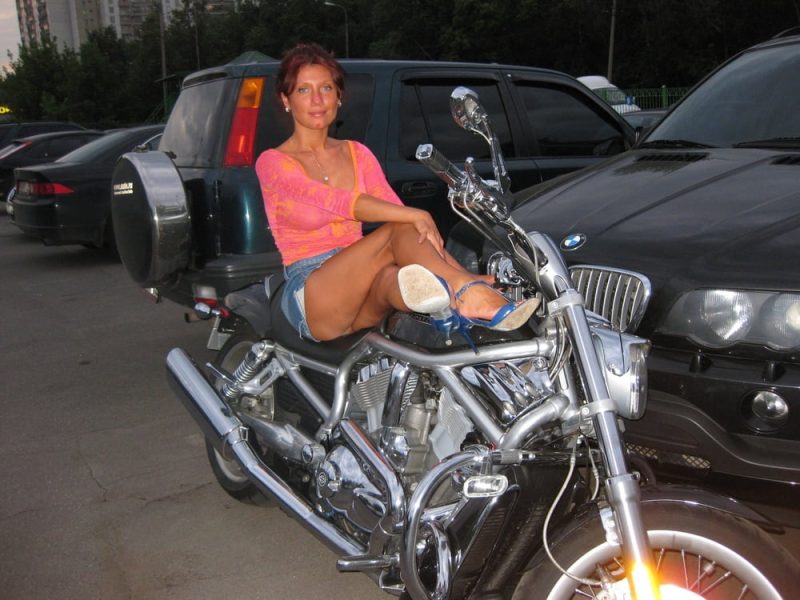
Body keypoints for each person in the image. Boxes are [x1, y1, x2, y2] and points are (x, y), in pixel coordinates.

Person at [255, 43, 538, 342]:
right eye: (303, 90)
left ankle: (464, 308)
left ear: (338, 95)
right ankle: (467, 293)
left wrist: (462, 272)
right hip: (313, 294)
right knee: (403, 224)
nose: (317, 99)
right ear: (286, 99)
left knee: (401, 270)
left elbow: (409, 230)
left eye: (326, 88)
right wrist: (416, 216)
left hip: (364, 290)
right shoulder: (273, 162)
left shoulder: (357, 153)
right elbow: (337, 202)